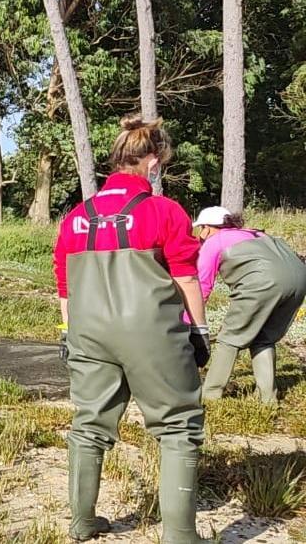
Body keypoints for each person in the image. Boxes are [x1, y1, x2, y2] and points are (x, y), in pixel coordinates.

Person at [53, 115, 208, 543]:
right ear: (153, 163)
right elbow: (186, 277)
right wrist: (200, 332)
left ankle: (82, 522)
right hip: (150, 332)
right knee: (178, 426)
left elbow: (64, 283)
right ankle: (180, 535)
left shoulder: (76, 218)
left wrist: (69, 332)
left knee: (89, 424)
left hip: (87, 331)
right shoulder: (164, 210)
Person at [193, 206, 306, 404]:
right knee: (263, 339)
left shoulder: (215, 241)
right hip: (298, 279)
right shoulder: (256, 233)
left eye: (201, 229)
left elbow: (202, 286)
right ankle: (268, 399)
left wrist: (191, 321)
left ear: (208, 228)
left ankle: (210, 395)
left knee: (229, 339)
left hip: (263, 281)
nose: (200, 236)